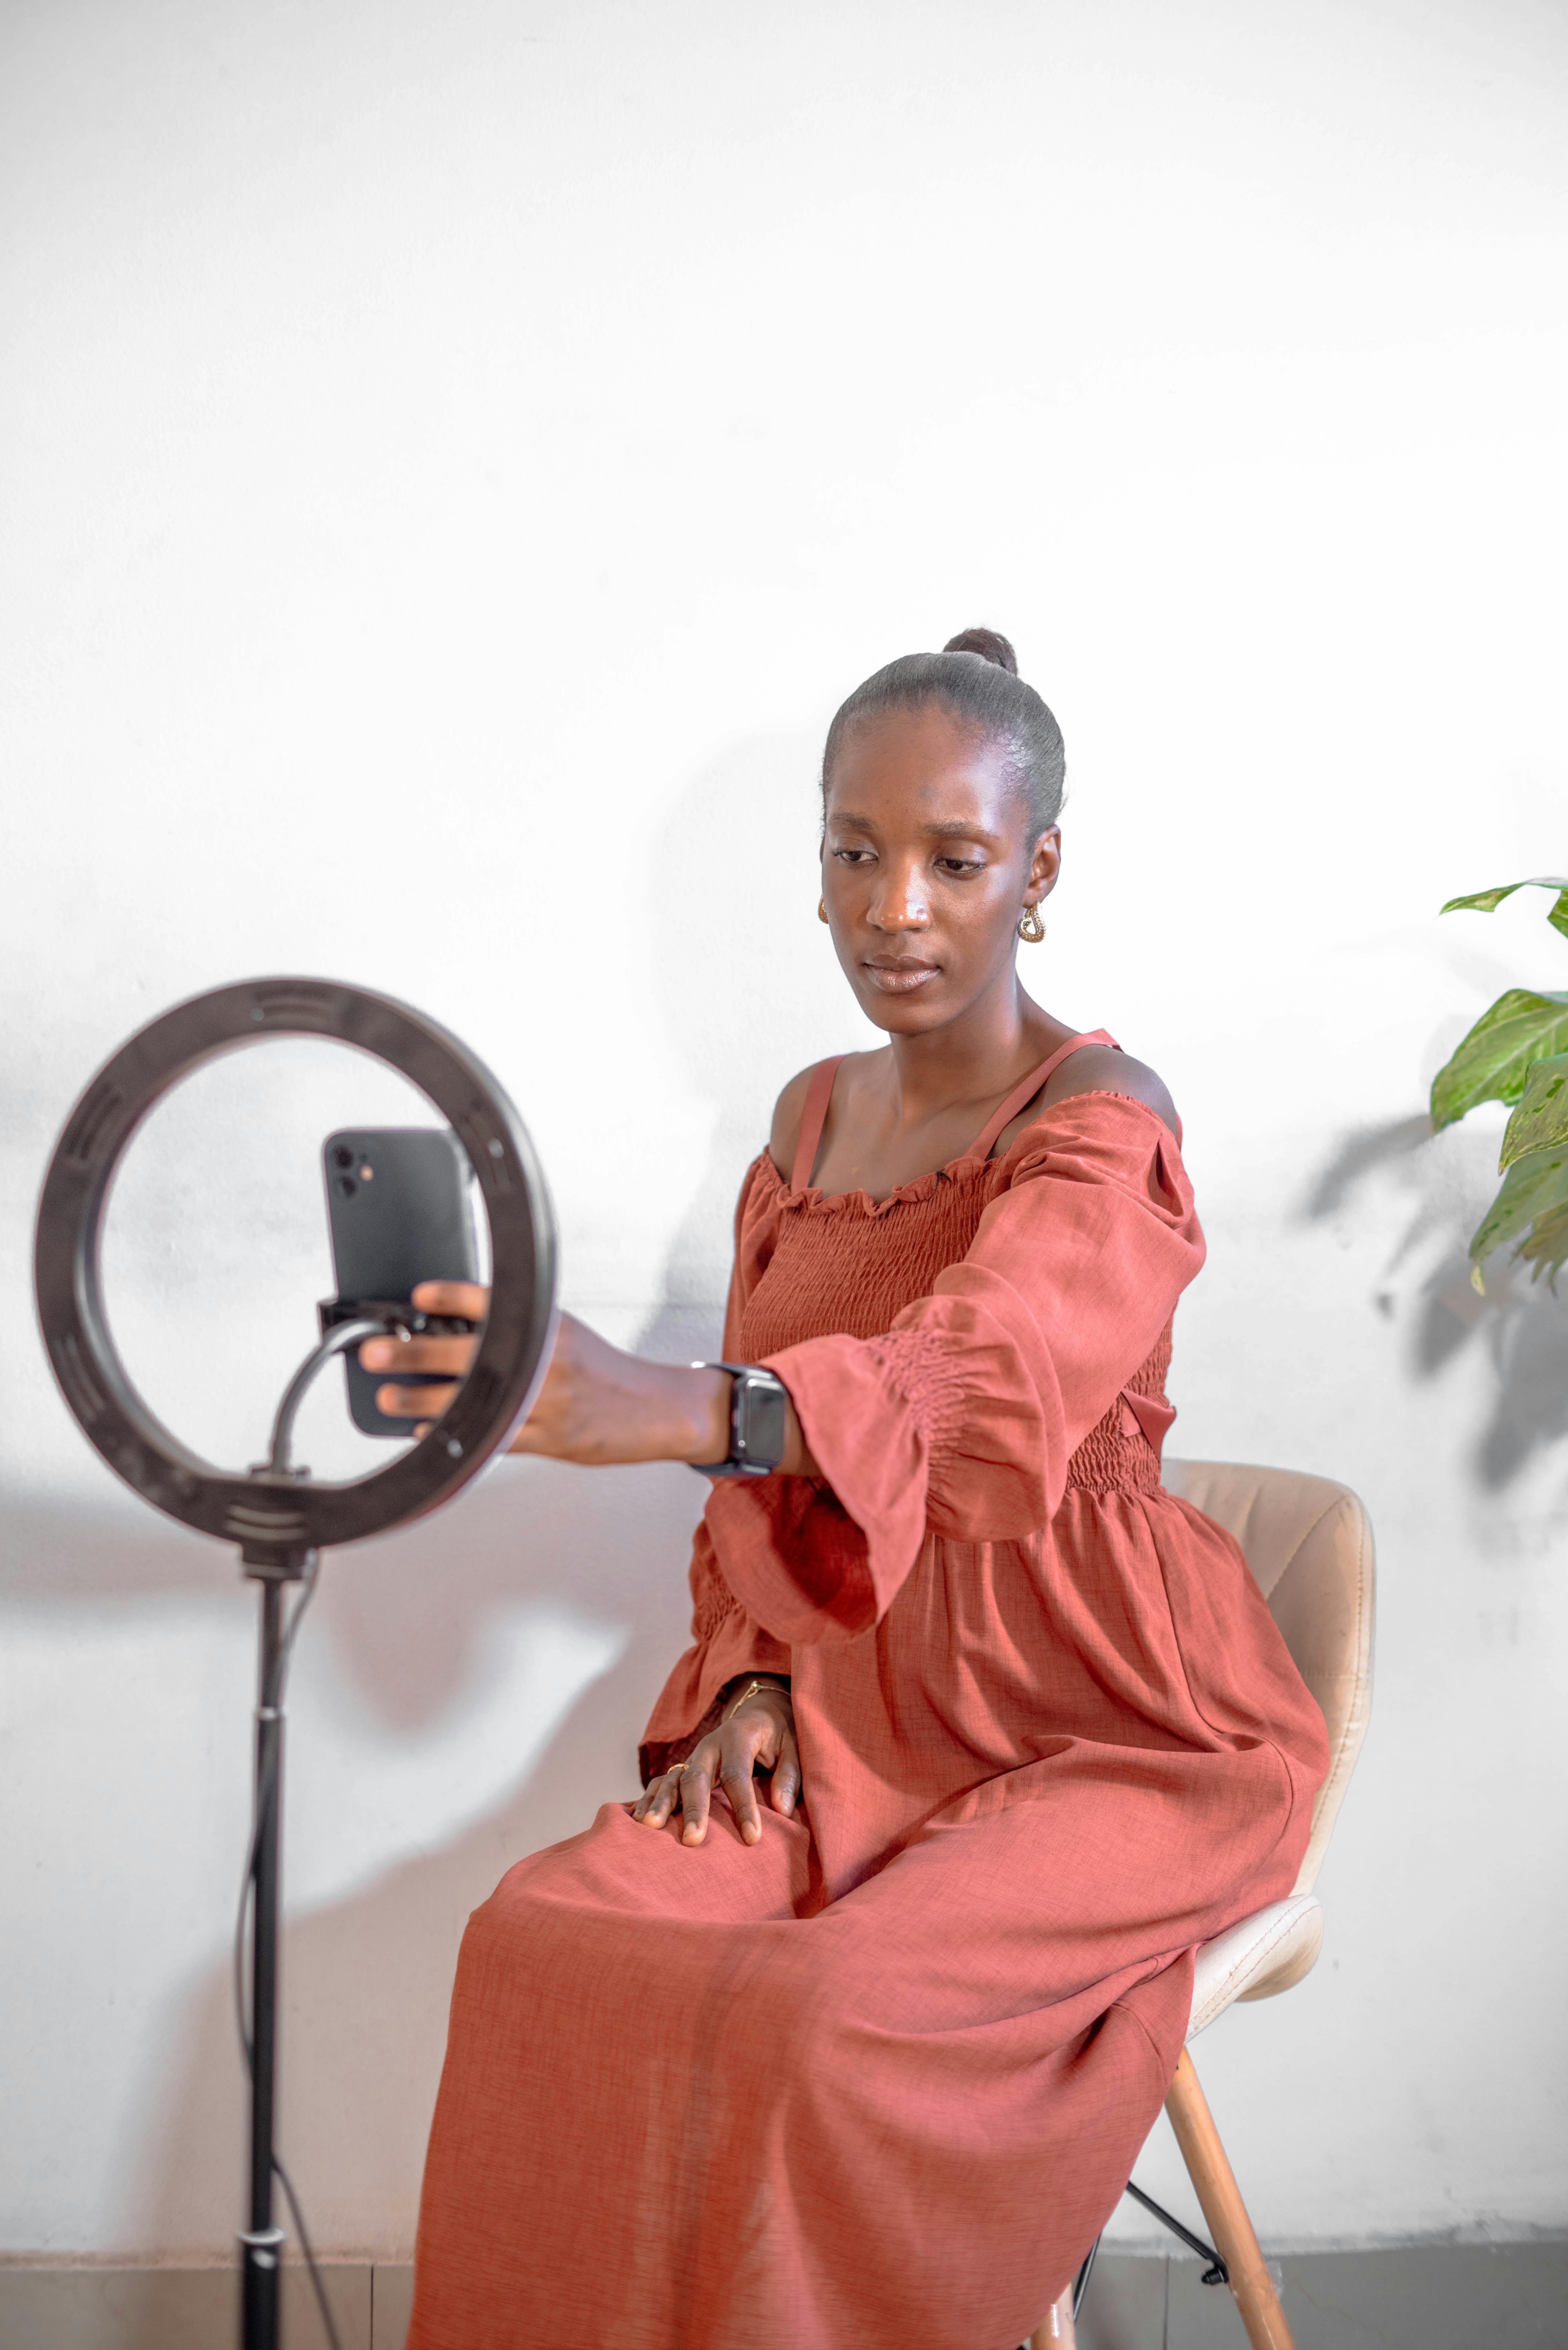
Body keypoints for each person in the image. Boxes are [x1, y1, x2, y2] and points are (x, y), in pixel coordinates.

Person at [365, 630, 1329, 2350]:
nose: (896, 906)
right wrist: (750, 1668)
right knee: (544, 1942)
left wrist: (673, 1404)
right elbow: (784, 1500)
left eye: (954, 860)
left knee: (826, 2015)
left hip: (1108, 1726)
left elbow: (989, 1374)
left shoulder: (1107, 1121)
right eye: (853, 849)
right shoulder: (805, 1124)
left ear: (1037, 874)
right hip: (854, 1707)